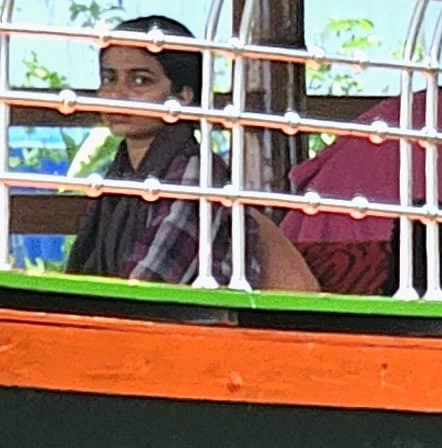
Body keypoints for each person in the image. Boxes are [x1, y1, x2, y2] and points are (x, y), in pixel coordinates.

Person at [67, 15, 319, 292]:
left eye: (140, 80)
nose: (117, 94)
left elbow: (148, 287)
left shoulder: (196, 173)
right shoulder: (122, 174)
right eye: (109, 78)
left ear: (183, 96)